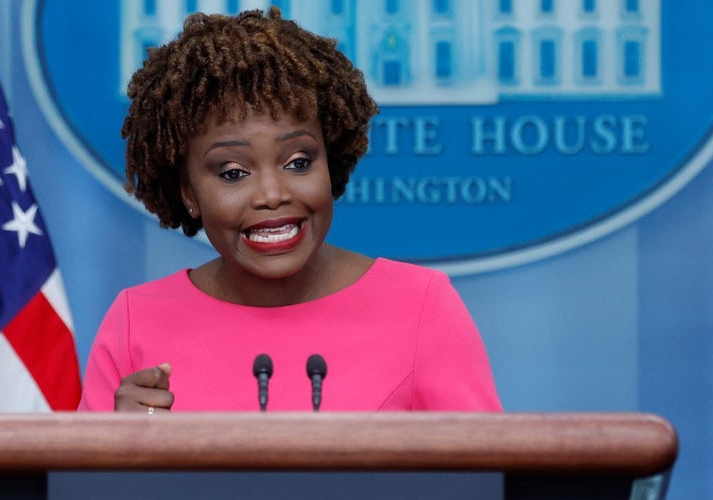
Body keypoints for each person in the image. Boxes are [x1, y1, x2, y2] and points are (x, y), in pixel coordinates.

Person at [78, 8, 501, 413]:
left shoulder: (422, 306)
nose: (272, 194)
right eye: (232, 172)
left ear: (330, 163)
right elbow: (87, 488)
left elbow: (483, 479)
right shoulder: (136, 321)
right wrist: (123, 446)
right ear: (189, 192)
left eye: (298, 162)